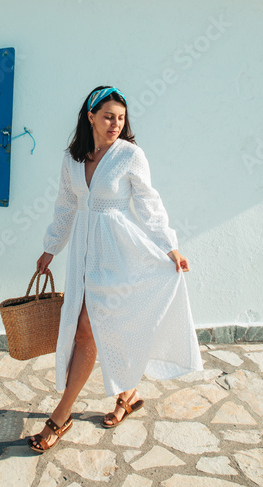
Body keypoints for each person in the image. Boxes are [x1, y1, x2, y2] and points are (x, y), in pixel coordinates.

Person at [27, 85, 203, 453]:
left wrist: (169, 246)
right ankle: (128, 394)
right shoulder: (72, 159)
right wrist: (50, 248)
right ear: (90, 116)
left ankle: (61, 415)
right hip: (83, 255)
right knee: (98, 326)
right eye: (108, 116)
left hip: (120, 251)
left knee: (88, 329)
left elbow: (149, 203)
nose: (115, 124)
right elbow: (65, 206)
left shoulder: (130, 156)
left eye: (121, 118)